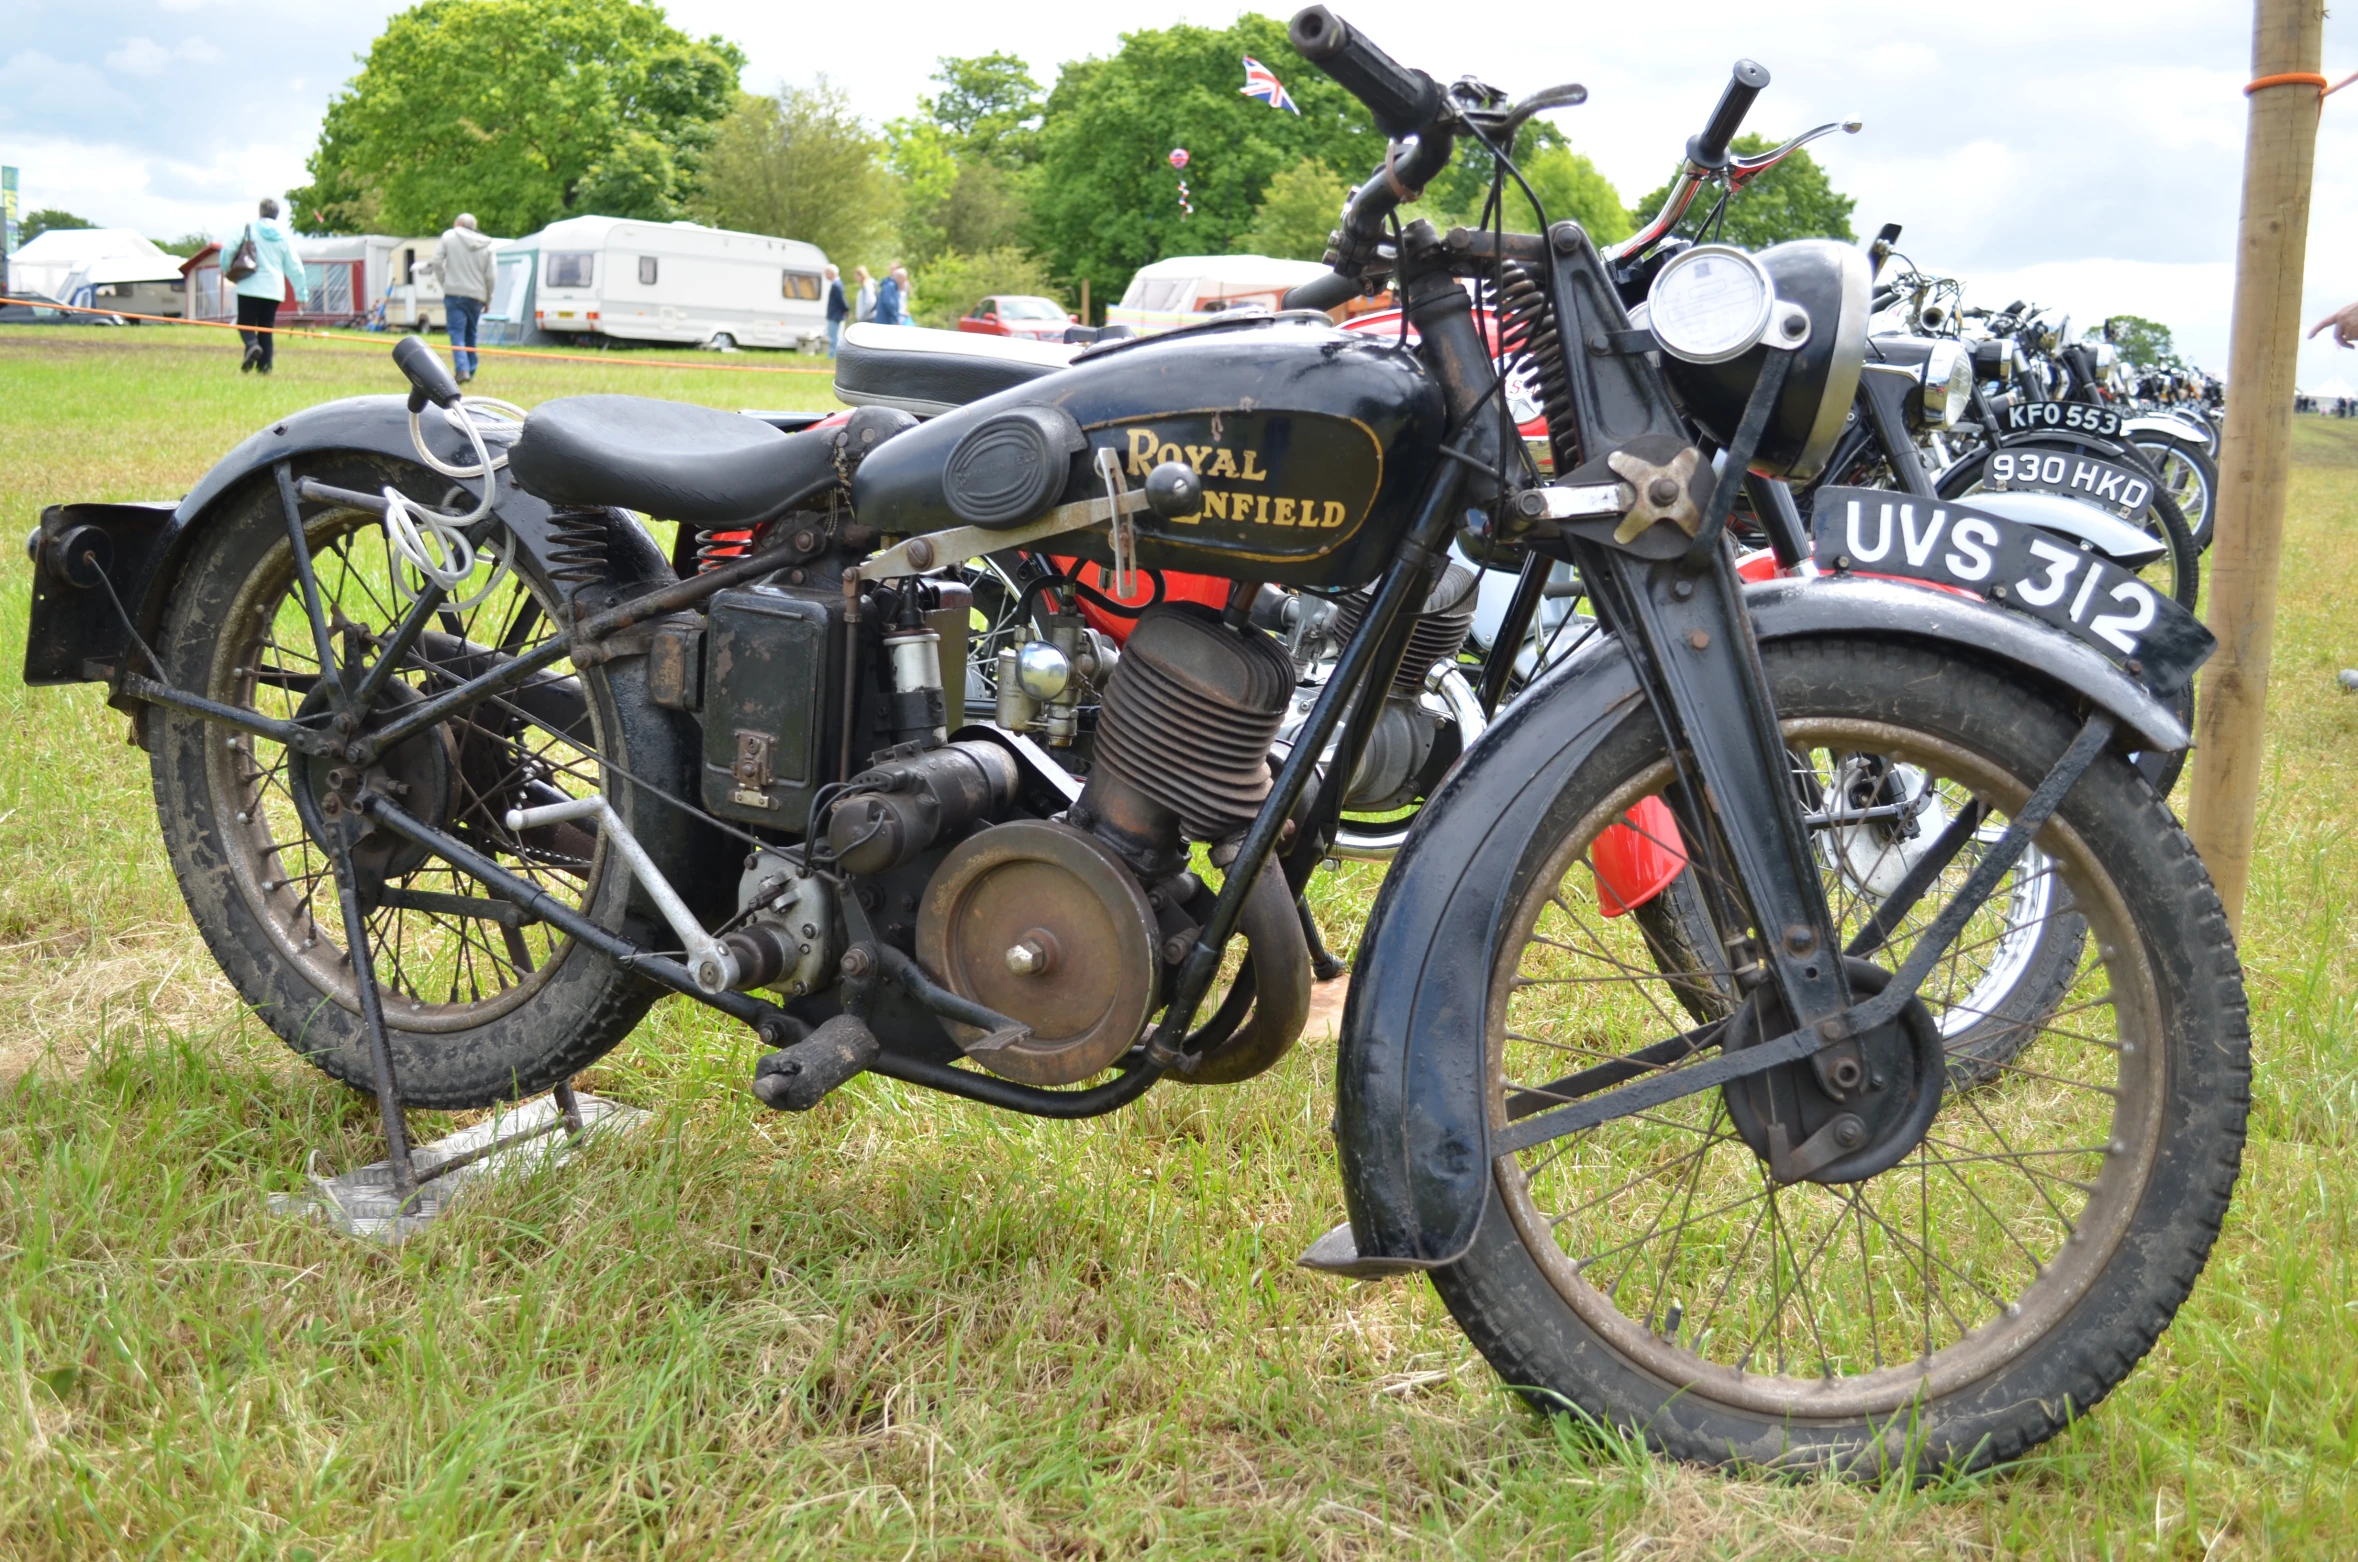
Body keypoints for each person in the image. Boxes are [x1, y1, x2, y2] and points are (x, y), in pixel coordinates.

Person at [230, 197, 307, 375]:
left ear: (260, 212)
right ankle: (265, 368)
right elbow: (295, 267)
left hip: (249, 285)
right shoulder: (284, 237)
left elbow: (228, 250)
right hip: (274, 289)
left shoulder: (248, 229)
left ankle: (251, 345)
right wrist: (301, 294)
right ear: (277, 215)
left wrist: (228, 269)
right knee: (266, 327)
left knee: (246, 323)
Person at [436, 212, 499, 384]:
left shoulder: (449, 236)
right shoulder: (487, 245)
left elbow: (436, 261)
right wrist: (488, 299)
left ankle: (462, 369)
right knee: (471, 332)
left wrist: (445, 282)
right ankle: (471, 369)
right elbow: (491, 276)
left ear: (459, 223)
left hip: (454, 293)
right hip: (477, 297)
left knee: (456, 331)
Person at [823, 263, 847, 354]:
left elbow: (841, 300)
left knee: (834, 336)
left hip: (835, 314)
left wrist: (846, 309)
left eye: (827, 272)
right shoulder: (836, 284)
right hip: (834, 314)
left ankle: (833, 354)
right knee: (833, 335)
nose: (825, 275)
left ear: (832, 273)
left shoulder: (837, 285)